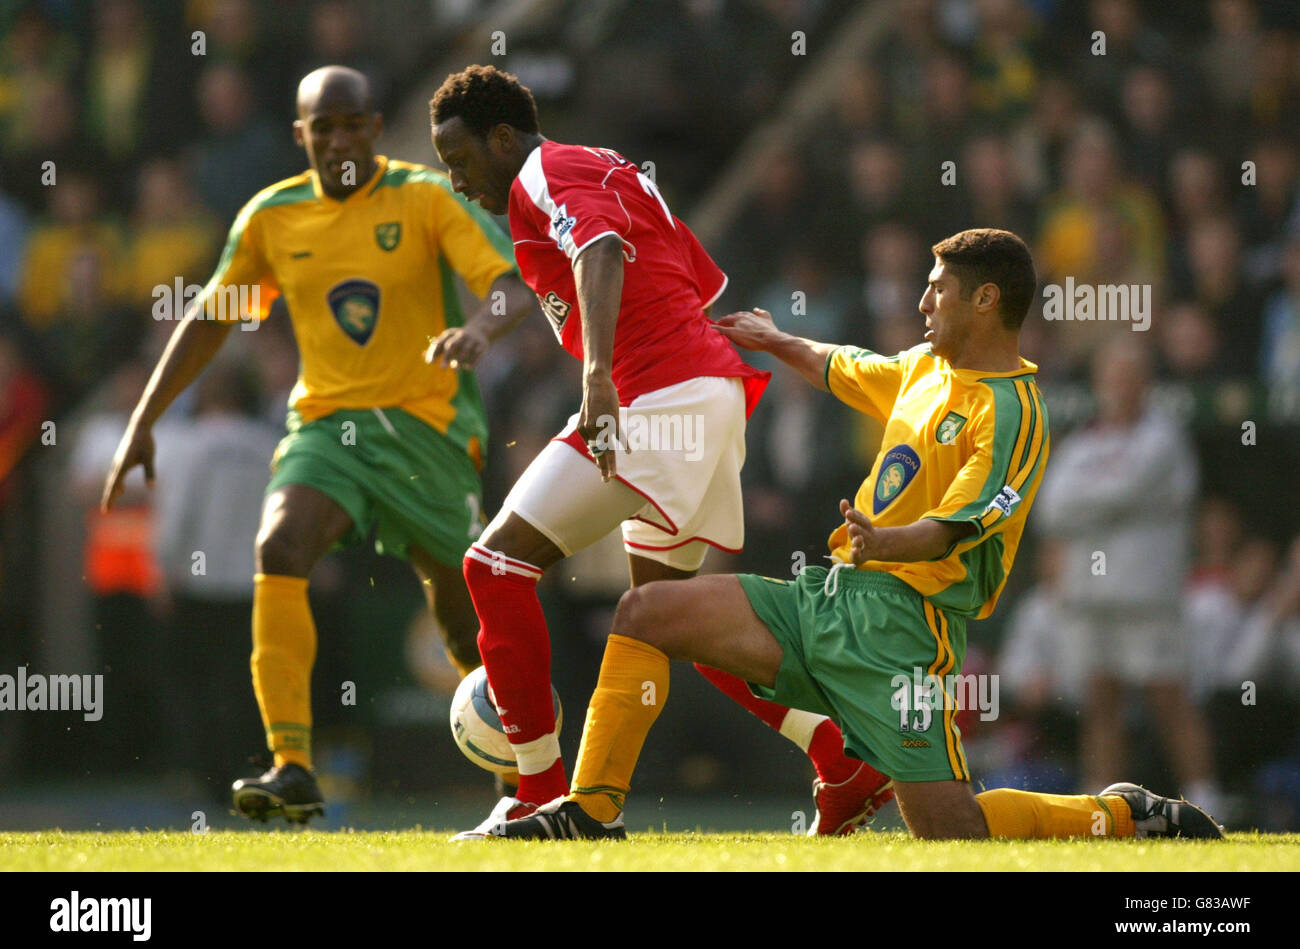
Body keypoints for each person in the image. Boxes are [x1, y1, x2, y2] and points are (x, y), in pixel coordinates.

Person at [495, 227, 1224, 841]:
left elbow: (954, 530)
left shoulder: (1011, 411)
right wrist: (775, 339)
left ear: (986, 298)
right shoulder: (925, 368)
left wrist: (884, 542)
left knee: (952, 830)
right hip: (829, 600)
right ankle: (590, 812)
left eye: (936, 288)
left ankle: (1120, 814)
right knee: (646, 614)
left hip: (905, 635)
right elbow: (843, 366)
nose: (921, 301)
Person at [430, 64, 893, 839]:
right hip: (703, 390)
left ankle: (538, 791)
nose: (456, 180)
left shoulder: (545, 170)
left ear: (502, 138)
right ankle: (839, 755)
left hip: (653, 393)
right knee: (670, 620)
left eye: (460, 160)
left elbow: (602, 252)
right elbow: (688, 277)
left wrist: (598, 374)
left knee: (493, 565)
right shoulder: (601, 163)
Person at [101, 66, 534, 823]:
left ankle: (518, 762)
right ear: (300, 135)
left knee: (460, 613)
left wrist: (480, 329)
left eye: (351, 123)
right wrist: (143, 421)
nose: (337, 139)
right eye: (320, 127)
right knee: (279, 546)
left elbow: (508, 283)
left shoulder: (424, 196)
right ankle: (293, 764)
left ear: (373, 127)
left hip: (427, 429)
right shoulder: (273, 218)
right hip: (327, 425)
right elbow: (209, 320)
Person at [1034, 338, 1222, 815]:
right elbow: (1051, 509)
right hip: (1090, 598)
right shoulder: (1080, 445)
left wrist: (1090, 502)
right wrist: (1100, 502)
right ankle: (1102, 807)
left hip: (1148, 597)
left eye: (1129, 376)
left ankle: (1206, 799)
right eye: (1111, 377)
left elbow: (1125, 489)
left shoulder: (1164, 438)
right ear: (1099, 384)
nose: (1119, 386)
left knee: (1169, 699)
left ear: (1146, 383)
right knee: (1100, 702)